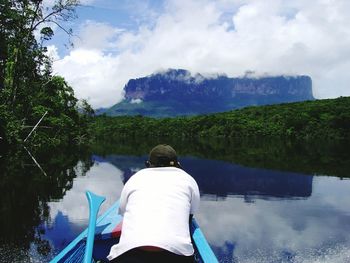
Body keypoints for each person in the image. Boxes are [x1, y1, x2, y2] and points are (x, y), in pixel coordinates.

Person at [107, 144, 200, 263]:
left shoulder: (135, 178)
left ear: (148, 164)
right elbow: (190, 215)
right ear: (177, 164)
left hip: (129, 253)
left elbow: (123, 212)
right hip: (176, 255)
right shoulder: (188, 180)